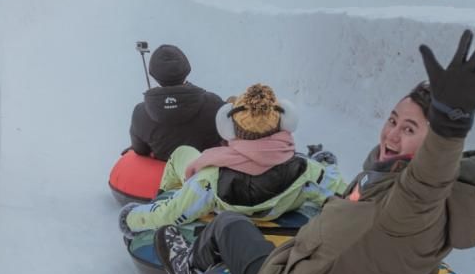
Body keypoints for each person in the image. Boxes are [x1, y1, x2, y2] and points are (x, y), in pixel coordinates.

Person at [154, 29, 475, 274]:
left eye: (409, 129)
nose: (392, 133)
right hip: (349, 270)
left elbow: (429, 180)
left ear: (432, 146)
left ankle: (188, 269)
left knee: (229, 225)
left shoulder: (416, 199)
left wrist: (451, 123)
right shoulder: (416, 193)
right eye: (393, 120)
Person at [121, 83, 344, 239]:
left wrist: (132, 218)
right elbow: (345, 193)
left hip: (224, 206)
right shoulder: (307, 171)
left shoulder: (211, 178)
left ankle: (166, 193)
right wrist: (327, 168)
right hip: (280, 204)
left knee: (182, 153)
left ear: (229, 127)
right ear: (284, 124)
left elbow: (171, 214)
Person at [129, 44, 224, 161]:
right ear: (186, 69)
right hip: (207, 174)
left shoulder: (140, 113)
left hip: (165, 175)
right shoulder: (214, 103)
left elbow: (140, 150)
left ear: (153, 74)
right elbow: (226, 137)